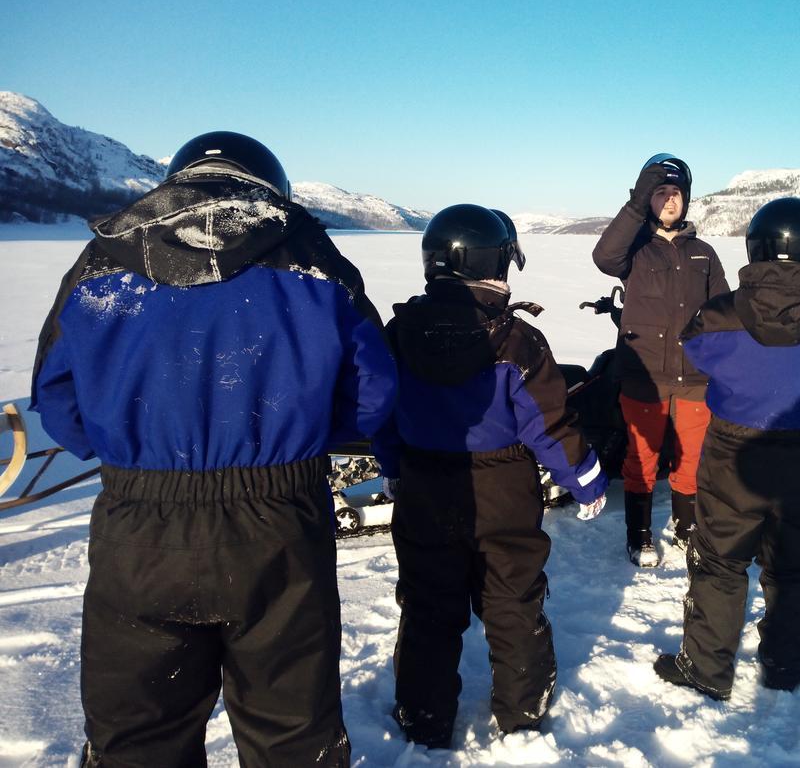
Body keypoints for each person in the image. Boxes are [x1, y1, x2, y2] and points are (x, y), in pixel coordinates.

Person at [30, 131, 398, 767]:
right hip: (279, 520)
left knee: (138, 736)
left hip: (138, 525)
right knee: (291, 731)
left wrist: (127, 446)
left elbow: (57, 395)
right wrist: (308, 433)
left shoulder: (105, 258)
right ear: (268, 188)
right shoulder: (309, 255)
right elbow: (373, 390)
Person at [377, 203, 608, 749]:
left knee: (429, 605)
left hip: (425, 481)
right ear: (494, 266)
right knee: (513, 600)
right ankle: (523, 710)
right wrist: (588, 481)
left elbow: (379, 411)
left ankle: (422, 715)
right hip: (501, 487)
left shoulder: (399, 333)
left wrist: (392, 468)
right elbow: (550, 423)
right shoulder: (515, 342)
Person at [653, 197, 800, 700]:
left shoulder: (719, 316)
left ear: (756, 247)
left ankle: (708, 669)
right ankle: (786, 664)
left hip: (734, 453)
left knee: (720, 561)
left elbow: (694, 342)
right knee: (796, 565)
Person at [592, 154, 729, 567]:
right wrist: (635, 204)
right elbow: (603, 258)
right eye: (661, 193)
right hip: (644, 375)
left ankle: (686, 528)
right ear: (648, 200)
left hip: (695, 376)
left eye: (677, 194)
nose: (670, 201)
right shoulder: (634, 251)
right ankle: (640, 535)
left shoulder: (704, 253)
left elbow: (721, 308)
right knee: (641, 457)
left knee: (690, 458)